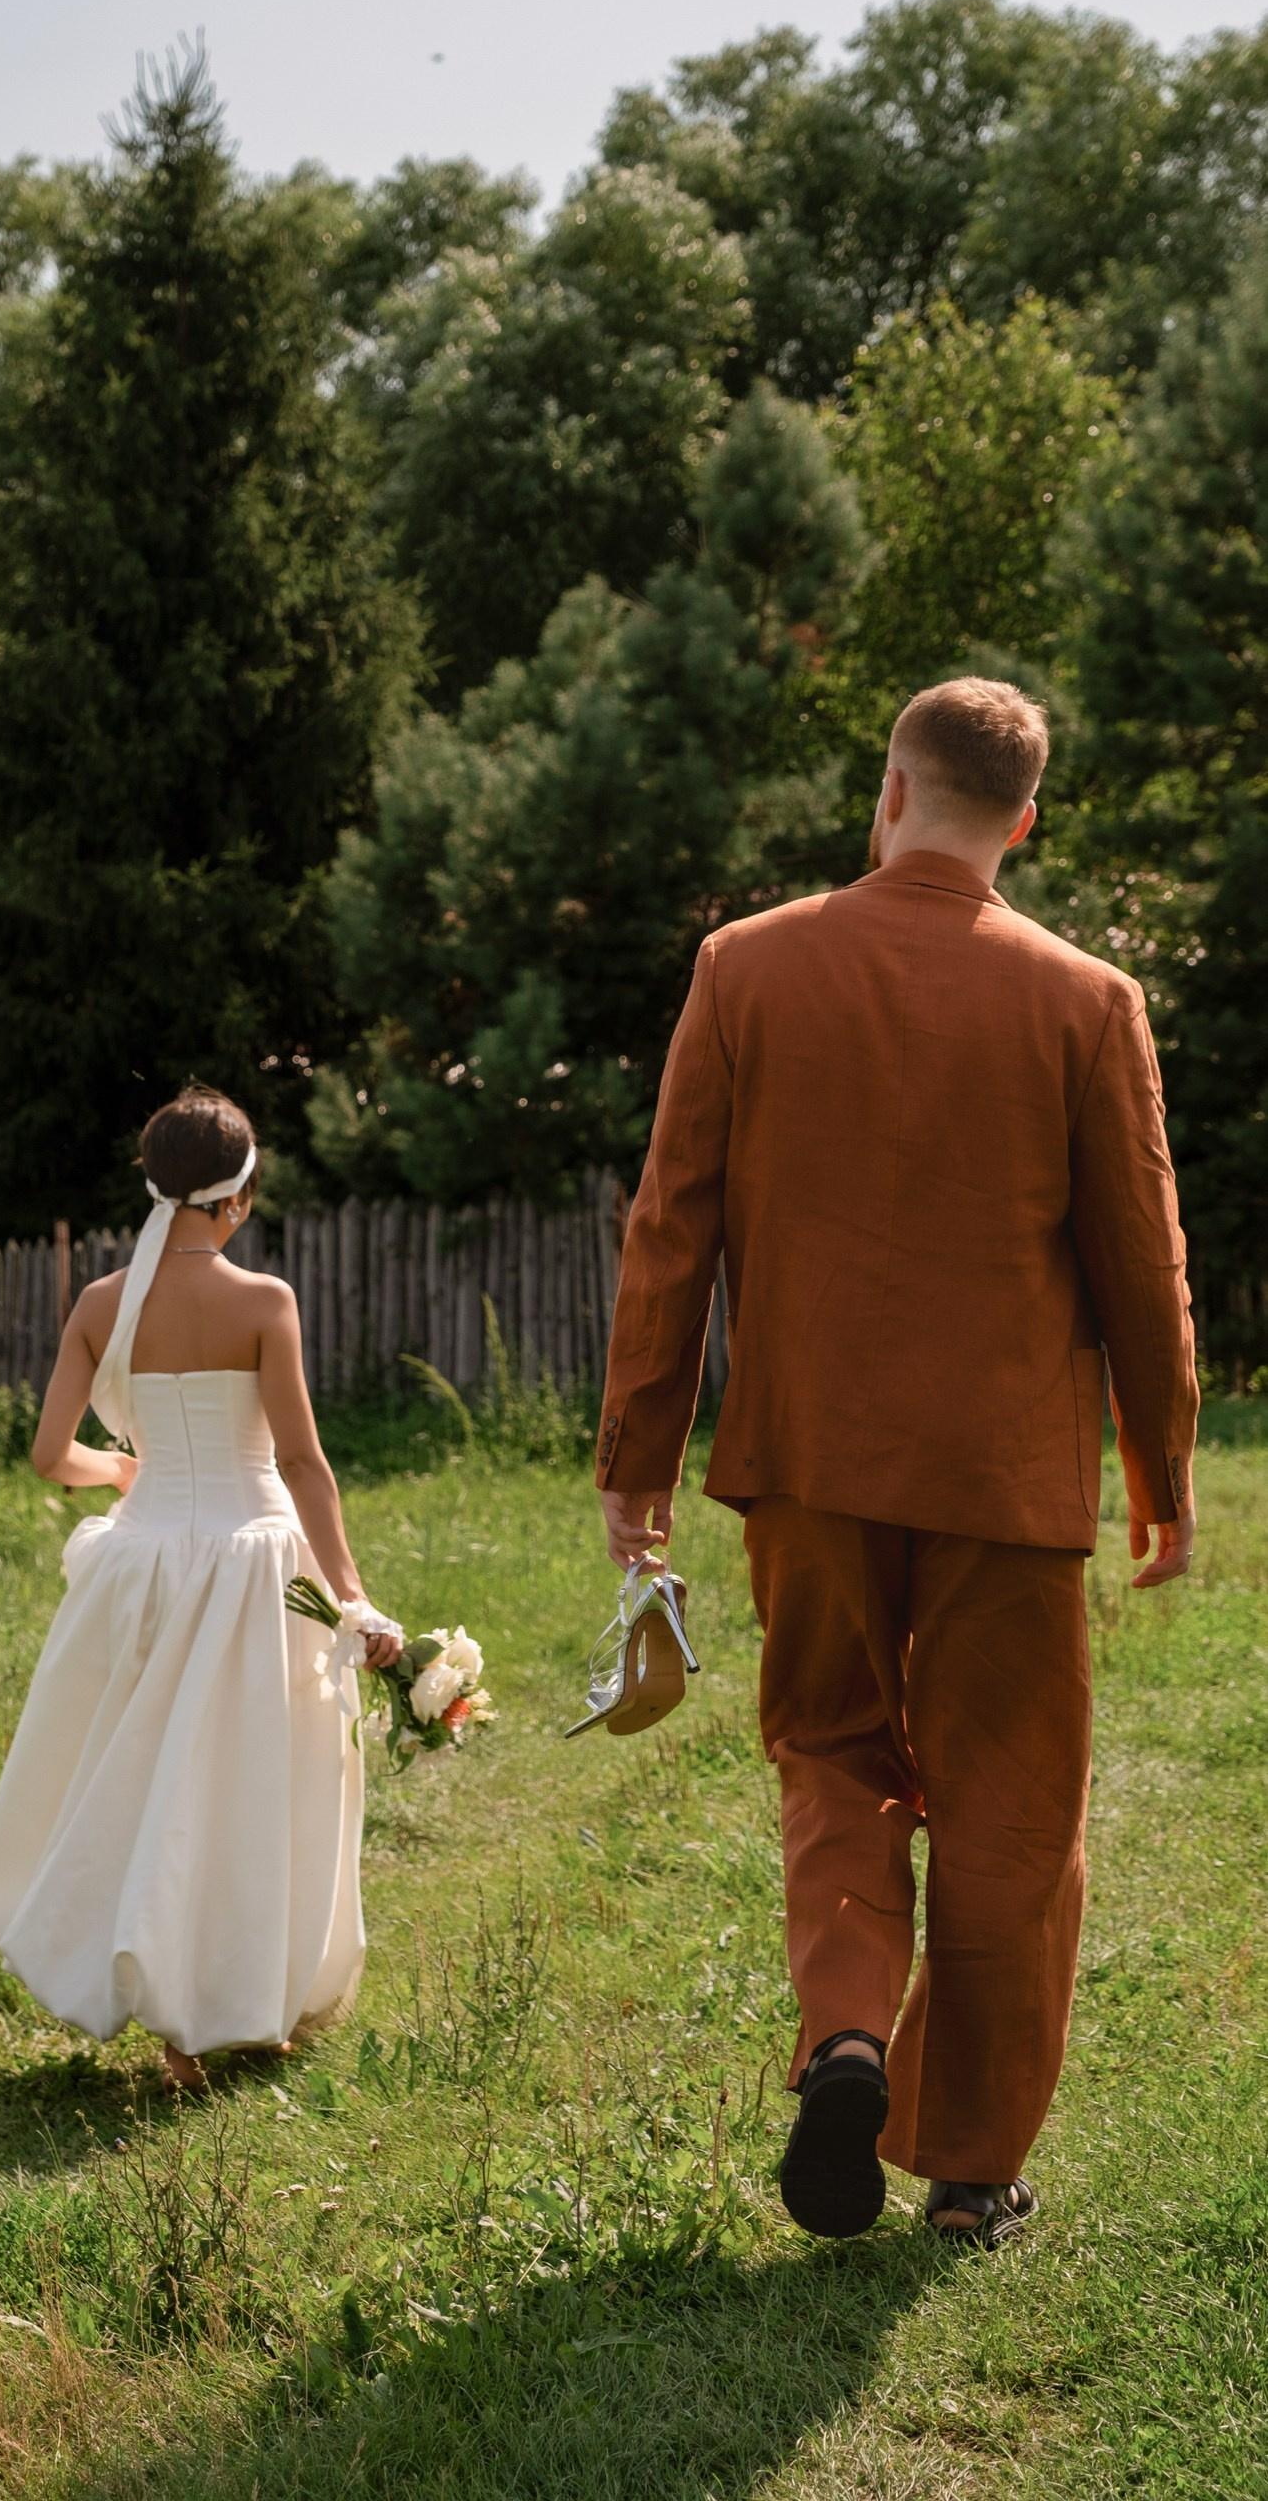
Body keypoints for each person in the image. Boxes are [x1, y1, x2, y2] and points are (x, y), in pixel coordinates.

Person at [596, 678, 1199, 2247]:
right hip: (1005, 1478)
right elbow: (1140, 1267)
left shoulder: (742, 966)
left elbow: (668, 1227)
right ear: (1023, 821)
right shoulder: (1087, 1001)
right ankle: (968, 2172)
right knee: (1010, 1807)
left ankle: (847, 2039)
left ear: (886, 791)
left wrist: (635, 1454)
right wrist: (1160, 1469)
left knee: (832, 1757)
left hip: (805, 1461)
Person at [0, 1086, 400, 2096]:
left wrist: (120, 1471)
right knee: (251, 1782)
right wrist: (353, 1595)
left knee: (148, 1784)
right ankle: (245, 1996)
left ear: (154, 1185)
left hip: (146, 1561)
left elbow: (48, 1456)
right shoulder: (264, 1302)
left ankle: (177, 2029)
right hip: (252, 1565)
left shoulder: (100, 1305)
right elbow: (302, 1462)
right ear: (239, 1195)